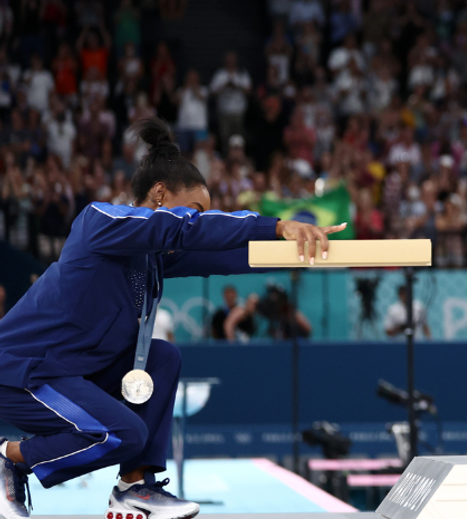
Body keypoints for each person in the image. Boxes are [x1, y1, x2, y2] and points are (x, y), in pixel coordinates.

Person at [0, 118, 343, 518]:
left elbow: (226, 256)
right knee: (124, 432)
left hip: (68, 373)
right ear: (159, 193)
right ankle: (10, 457)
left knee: (164, 358)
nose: (197, 220)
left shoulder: (153, 257)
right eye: (196, 209)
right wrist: (277, 223)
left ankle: (135, 487)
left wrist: (298, 248)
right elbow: (186, 230)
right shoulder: (99, 221)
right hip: (21, 372)